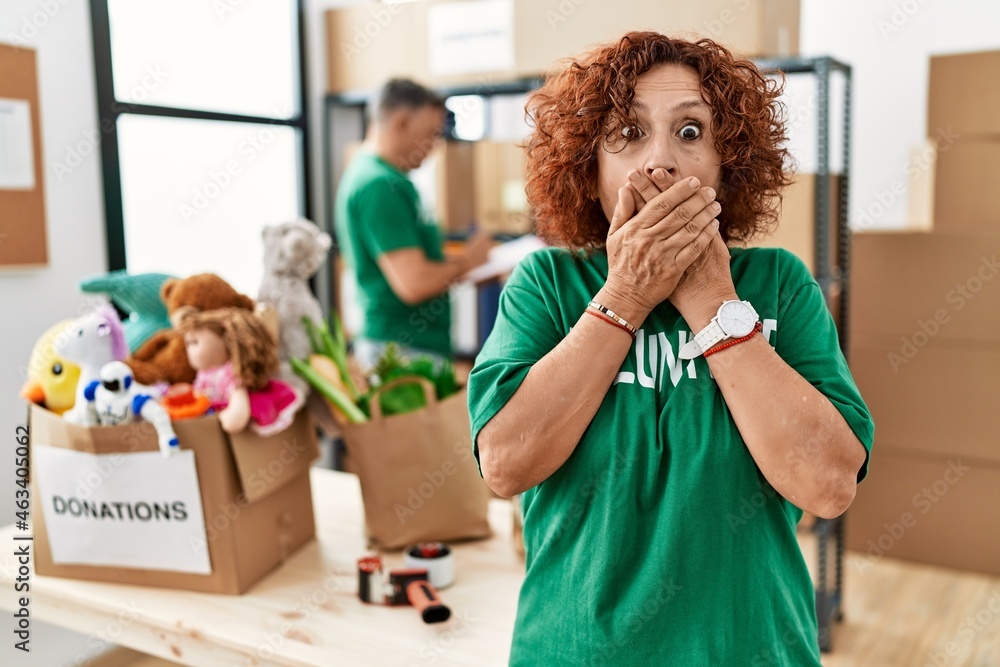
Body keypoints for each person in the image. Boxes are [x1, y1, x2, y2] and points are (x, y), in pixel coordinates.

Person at [468, 33, 874, 666]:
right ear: (588, 166)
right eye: (627, 133)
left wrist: (715, 304)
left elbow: (829, 485)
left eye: (690, 132)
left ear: (725, 163)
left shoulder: (780, 285)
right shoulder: (545, 285)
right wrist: (626, 294)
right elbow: (505, 464)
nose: (660, 161)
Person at [335, 78, 491, 368]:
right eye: (431, 134)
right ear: (402, 123)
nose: (434, 146)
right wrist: (469, 261)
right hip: (400, 350)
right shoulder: (379, 185)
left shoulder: (389, 179)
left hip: (411, 345)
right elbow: (414, 283)